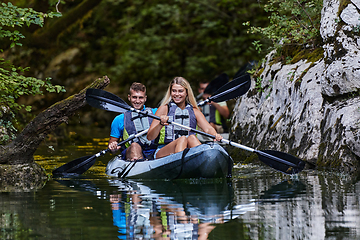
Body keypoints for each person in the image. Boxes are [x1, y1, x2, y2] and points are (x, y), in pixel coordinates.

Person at [147, 77, 222, 159]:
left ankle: (205, 160)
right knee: (182, 139)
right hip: (164, 151)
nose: (177, 94)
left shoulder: (194, 111)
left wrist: (215, 135)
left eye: (180, 91)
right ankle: (181, 164)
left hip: (187, 151)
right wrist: (160, 124)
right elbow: (150, 137)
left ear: (186, 93)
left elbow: (208, 129)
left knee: (192, 138)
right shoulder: (164, 109)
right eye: (174, 91)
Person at [108, 82, 158, 161]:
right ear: (129, 97)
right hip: (131, 152)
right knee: (135, 146)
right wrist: (113, 148)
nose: (137, 101)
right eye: (134, 97)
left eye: (140, 98)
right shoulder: (119, 119)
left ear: (145, 98)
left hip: (153, 152)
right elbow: (112, 150)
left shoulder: (156, 113)